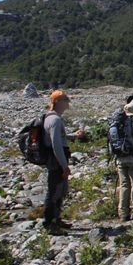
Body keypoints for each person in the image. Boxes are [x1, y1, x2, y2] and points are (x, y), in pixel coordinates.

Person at [42, 90, 85, 235]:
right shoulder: (55, 120)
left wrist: (73, 136)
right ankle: (49, 223)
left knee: (61, 190)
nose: (68, 104)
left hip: (56, 161)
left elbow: (60, 139)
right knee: (54, 191)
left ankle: (56, 219)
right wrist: (64, 166)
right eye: (66, 101)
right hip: (56, 162)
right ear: (58, 102)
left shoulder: (51, 118)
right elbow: (56, 144)